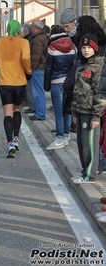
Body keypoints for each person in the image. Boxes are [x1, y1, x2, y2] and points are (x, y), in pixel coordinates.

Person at [0, 20, 31, 158]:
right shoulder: (23, 42)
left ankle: (9, 143)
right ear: (19, 29)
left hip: (5, 82)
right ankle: (16, 139)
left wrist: (2, 63)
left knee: (7, 112)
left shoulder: (0, 42)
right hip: (19, 81)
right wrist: (28, 71)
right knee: (17, 108)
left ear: (7, 29)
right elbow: (26, 57)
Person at [71, 34, 106, 184]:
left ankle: (90, 175)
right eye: (84, 47)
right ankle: (84, 171)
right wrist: (73, 111)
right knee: (81, 143)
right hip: (80, 110)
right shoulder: (82, 65)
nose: (86, 50)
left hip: (90, 112)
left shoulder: (98, 66)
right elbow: (77, 90)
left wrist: (96, 116)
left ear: (95, 48)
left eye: (89, 48)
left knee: (89, 144)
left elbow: (100, 93)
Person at [44, 25, 76, 150]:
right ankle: (66, 136)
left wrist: (46, 85)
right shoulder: (72, 46)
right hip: (69, 82)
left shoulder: (51, 48)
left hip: (56, 82)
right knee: (67, 109)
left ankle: (59, 137)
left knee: (58, 111)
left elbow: (48, 68)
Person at [28, 20, 49, 121]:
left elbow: (36, 55)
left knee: (37, 92)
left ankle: (40, 113)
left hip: (38, 68)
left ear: (35, 27)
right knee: (39, 91)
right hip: (42, 67)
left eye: (32, 26)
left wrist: (33, 67)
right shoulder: (44, 37)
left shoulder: (37, 39)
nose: (31, 28)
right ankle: (40, 112)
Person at [20, 24, 35, 114]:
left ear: (26, 31)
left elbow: (26, 57)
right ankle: (30, 104)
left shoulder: (26, 41)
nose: (20, 33)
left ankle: (32, 106)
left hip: (30, 67)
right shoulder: (29, 39)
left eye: (21, 31)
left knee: (30, 88)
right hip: (31, 66)